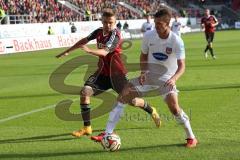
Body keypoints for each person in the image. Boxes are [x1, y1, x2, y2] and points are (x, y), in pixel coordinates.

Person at [91, 8, 198, 148]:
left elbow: (182, 66)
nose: (156, 26)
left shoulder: (176, 41)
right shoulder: (149, 36)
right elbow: (143, 55)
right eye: (155, 23)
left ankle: (191, 137)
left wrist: (174, 79)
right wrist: (143, 72)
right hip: (148, 76)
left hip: (166, 79)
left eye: (160, 24)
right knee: (122, 97)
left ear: (168, 24)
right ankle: (107, 133)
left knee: (174, 109)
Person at [56, 8, 160, 138]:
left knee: (132, 101)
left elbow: (104, 52)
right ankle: (87, 127)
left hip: (117, 75)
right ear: (102, 21)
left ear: (115, 22)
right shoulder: (98, 32)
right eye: (105, 22)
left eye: (111, 22)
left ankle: (151, 110)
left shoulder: (115, 35)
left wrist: (89, 51)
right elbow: (84, 40)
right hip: (102, 74)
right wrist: (68, 51)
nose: (108, 25)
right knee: (85, 92)